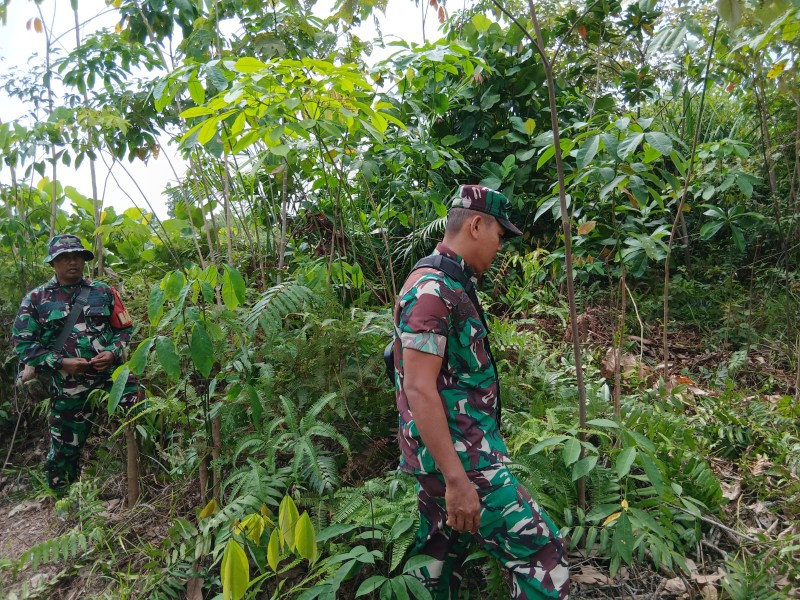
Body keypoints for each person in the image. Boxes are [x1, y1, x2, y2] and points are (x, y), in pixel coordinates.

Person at [392, 185, 570, 599]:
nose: (499, 247)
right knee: (543, 556)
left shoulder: (451, 283)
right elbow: (418, 388)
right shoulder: (433, 290)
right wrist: (457, 479)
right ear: (475, 225)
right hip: (460, 461)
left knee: (435, 564)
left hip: (450, 455)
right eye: (499, 236)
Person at [12, 234, 141, 494]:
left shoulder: (104, 292)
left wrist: (113, 353)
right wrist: (61, 363)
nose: (73, 262)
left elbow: (124, 329)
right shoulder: (35, 300)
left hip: (109, 377)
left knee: (142, 410)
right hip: (67, 384)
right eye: (65, 258)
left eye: (77, 256)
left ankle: (146, 476)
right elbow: (24, 345)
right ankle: (63, 501)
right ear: (53, 263)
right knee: (65, 447)